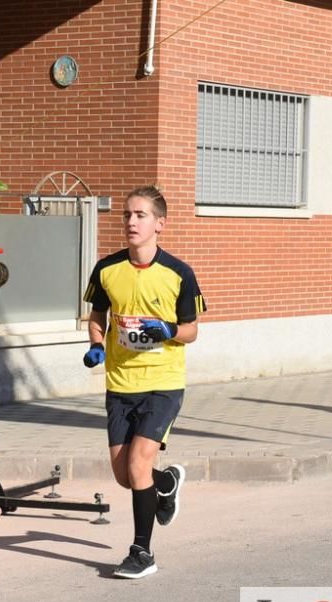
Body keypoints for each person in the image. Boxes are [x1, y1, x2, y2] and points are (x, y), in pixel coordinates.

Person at [81, 185, 206, 579]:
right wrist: (98, 346)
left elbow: (191, 331)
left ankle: (141, 553)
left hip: (162, 383)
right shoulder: (107, 269)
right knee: (124, 475)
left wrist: (165, 328)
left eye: (141, 216)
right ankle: (166, 482)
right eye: (127, 215)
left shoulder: (179, 273)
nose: (131, 222)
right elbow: (97, 317)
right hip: (120, 383)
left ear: (160, 224)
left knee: (137, 465)